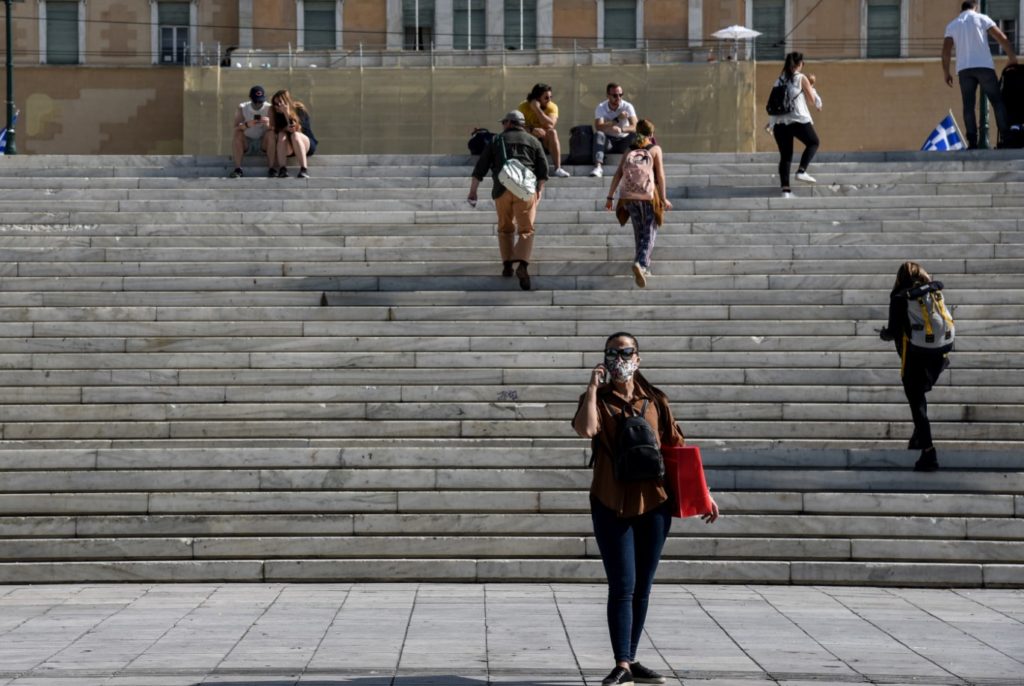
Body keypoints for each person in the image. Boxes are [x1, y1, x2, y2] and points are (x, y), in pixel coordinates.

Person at [572, 332, 719, 686]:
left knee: (643, 587)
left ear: (638, 358)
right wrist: (592, 389)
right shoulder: (597, 400)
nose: (619, 359)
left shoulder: (655, 401)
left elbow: (677, 448)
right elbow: (586, 429)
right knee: (622, 584)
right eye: (612, 353)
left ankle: (630, 659)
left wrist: (705, 494)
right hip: (611, 502)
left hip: (654, 503)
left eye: (626, 352)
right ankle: (622, 662)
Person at [878, 262, 955, 472]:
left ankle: (929, 452)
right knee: (919, 395)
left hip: (916, 356)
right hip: (939, 354)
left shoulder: (900, 297)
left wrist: (884, 334)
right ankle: (918, 437)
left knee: (916, 401)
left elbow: (893, 331)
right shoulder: (931, 291)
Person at [468, 110, 549, 291]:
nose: (503, 125)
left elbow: (480, 167)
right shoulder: (533, 141)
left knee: (505, 228)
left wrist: (473, 191)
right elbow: (543, 170)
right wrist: (540, 190)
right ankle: (522, 264)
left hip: (502, 189)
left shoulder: (497, 140)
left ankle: (506, 264)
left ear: (510, 123)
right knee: (526, 229)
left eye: (504, 122)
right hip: (525, 191)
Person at [604, 120, 671, 288]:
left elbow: (618, 173)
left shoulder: (629, 149)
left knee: (639, 232)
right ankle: (641, 264)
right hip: (647, 196)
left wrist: (610, 197)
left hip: (628, 196)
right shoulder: (655, 149)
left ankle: (641, 266)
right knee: (650, 231)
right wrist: (663, 198)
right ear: (651, 134)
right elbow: (660, 176)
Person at [943, 0, 1019, 149]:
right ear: (975, 6)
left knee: (968, 106)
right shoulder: (982, 18)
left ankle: (972, 141)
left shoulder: (952, 25)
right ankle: (1006, 136)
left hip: (964, 70)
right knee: (997, 101)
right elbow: (1001, 37)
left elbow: (946, 52)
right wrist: (1012, 57)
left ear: (961, 9)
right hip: (984, 67)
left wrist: (946, 72)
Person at [768, 52, 822, 199]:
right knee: (814, 142)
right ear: (799, 64)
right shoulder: (801, 77)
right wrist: (812, 88)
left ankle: (785, 191)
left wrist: (771, 123)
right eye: (803, 64)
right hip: (797, 119)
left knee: (785, 156)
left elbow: (772, 102)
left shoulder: (778, 80)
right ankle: (802, 171)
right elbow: (812, 100)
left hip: (779, 123)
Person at [519, 84, 571, 177]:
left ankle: (558, 168)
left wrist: (537, 109)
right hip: (529, 139)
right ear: (537, 98)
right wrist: (532, 130)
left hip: (545, 140)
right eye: (546, 98)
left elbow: (550, 124)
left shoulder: (552, 106)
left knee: (552, 132)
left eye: (550, 97)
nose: (549, 100)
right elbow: (518, 126)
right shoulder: (523, 106)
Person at [590, 83, 638, 178]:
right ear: (608, 96)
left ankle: (635, 166)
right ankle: (598, 166)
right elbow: (598, 126)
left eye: (621, 94)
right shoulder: (601, 107)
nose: (618, 97)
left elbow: (635, 126)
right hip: (609, 142)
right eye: (615, 95)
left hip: (624, 141)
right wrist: (616, 120)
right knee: (599, 134)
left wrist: (622, 129)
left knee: (635, 135)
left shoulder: (627, 106)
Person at [269, 90, 317, 179]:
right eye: (275, 104)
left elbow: (296, 128)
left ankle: (303, 169)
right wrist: (284, 128)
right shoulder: (275, 112)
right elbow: (273, 129)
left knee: (295, 135)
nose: (277, 106)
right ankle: (283, 169)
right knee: (281, 134)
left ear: (286, 101)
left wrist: (286, 113)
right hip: (288, 147)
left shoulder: (299, 109)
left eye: (279, 103)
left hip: (305, 143)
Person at [229, 85, 274, 178]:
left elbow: (276, 129)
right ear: (250, 98)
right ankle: (238, 169)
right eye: (255, 101)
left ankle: (272, 168)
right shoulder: (242, 107)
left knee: (271, 134)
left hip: (263, 142)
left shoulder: (269, 108)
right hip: (247, 142)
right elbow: (235, 128)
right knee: (238, 134)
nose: (258, 104)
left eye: (260, 101)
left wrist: (268, 125)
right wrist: (246, 125)